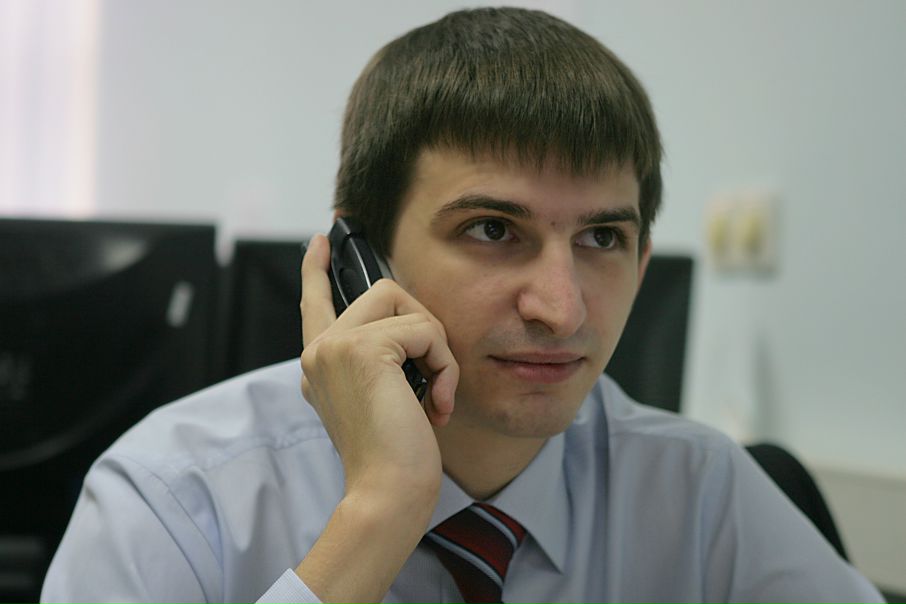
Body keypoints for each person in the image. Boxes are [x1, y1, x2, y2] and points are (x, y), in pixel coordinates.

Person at [42, 7, 884, 604]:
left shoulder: (699, 493)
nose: (561, 308)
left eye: (601, 238)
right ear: (359, 258)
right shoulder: (173, 498)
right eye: (492, 229)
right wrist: (379, 514)